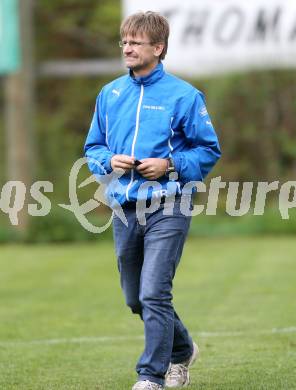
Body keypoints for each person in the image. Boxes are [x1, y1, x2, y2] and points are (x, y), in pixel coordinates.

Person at [84, 11, 221, 390]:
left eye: (135, 42)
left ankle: (151, 376)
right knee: (135, 299)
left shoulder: (184, 95)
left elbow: (209, 151)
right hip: (125, 208)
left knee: (154, 291)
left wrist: (171, 165)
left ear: (158, 48)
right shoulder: (110, 94)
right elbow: (93, 147)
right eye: (124, 41)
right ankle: (182, 349)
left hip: (170, 205)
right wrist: (108, 161)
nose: (127, 48)